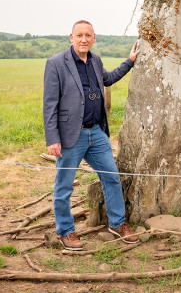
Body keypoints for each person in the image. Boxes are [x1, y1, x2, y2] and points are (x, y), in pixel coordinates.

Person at [43, 20, 140, 250]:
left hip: (96, 133)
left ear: (94, 38)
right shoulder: (56, 63)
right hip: (69, 136)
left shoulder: (95, 60)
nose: (84, 39)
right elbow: (49, 105)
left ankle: (117, 223)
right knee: (64, 186)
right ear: (71, 37)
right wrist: (52, 138)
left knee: (111, 177)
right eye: (79, 35)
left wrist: (130, 62)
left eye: (88, 35)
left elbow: (107, 79)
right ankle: (66, 231)